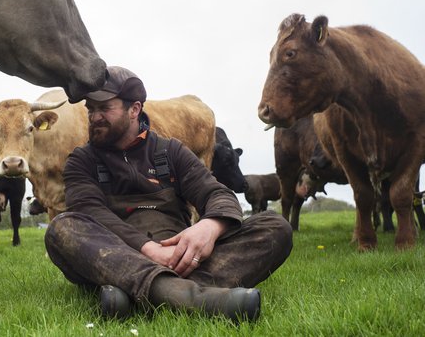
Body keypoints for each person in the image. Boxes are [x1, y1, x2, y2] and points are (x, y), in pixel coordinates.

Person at [44, 66, 293, 321]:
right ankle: (193, 298)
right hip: (117, 255)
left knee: (276, 227)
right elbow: (89, 211)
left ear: (134, 110)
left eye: (105, 108)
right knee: (62, 228)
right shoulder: (81, 160)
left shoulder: (170, 151)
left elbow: (216, 193)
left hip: (181, 258)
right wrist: (149, 249)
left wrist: (209, 226)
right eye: (91, 109)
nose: (95, 116)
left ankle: (131, 294)